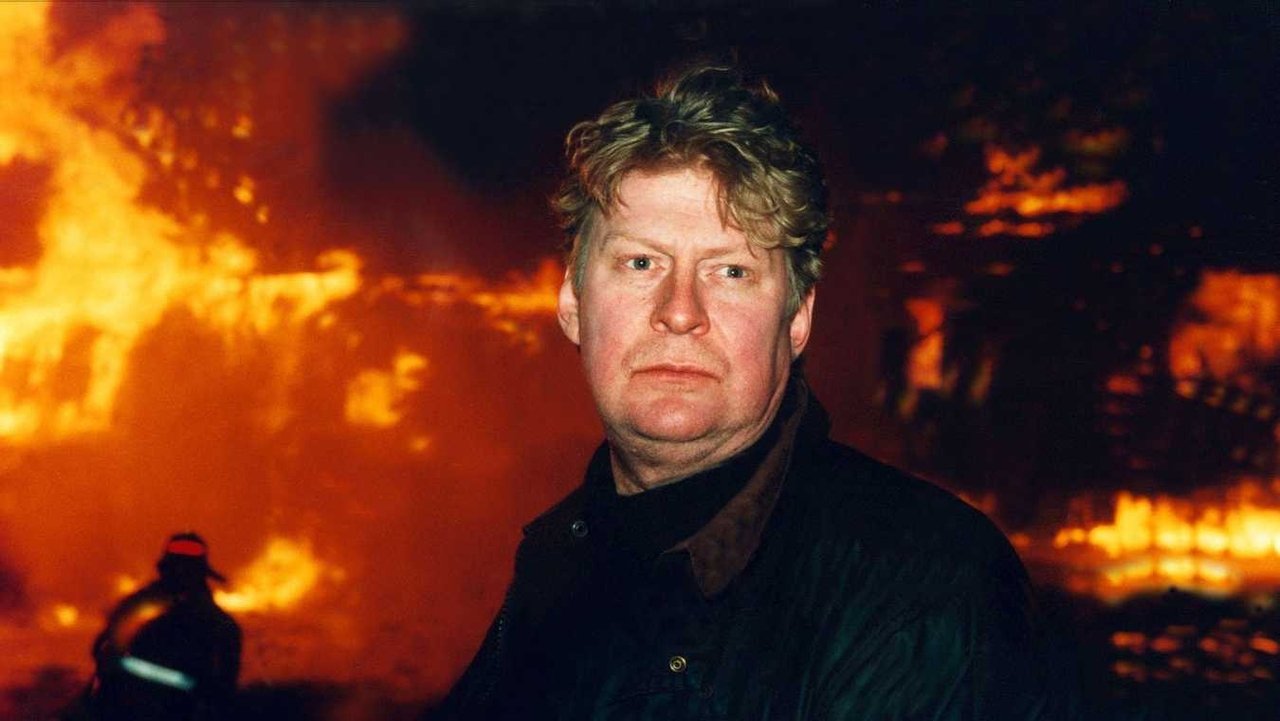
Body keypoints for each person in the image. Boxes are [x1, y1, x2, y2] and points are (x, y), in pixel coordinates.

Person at [437, 64, 1073, 720]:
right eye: (641, 262)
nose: (679, 311)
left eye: (731, 271)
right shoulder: (558, 562)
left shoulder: (925, 592)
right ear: (573, 303)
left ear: (797, 318)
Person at [82, 532, 241, 721]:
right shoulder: (221, 623)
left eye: (187, 571)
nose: (182, 576)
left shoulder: (135, 608)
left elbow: (105, 653)